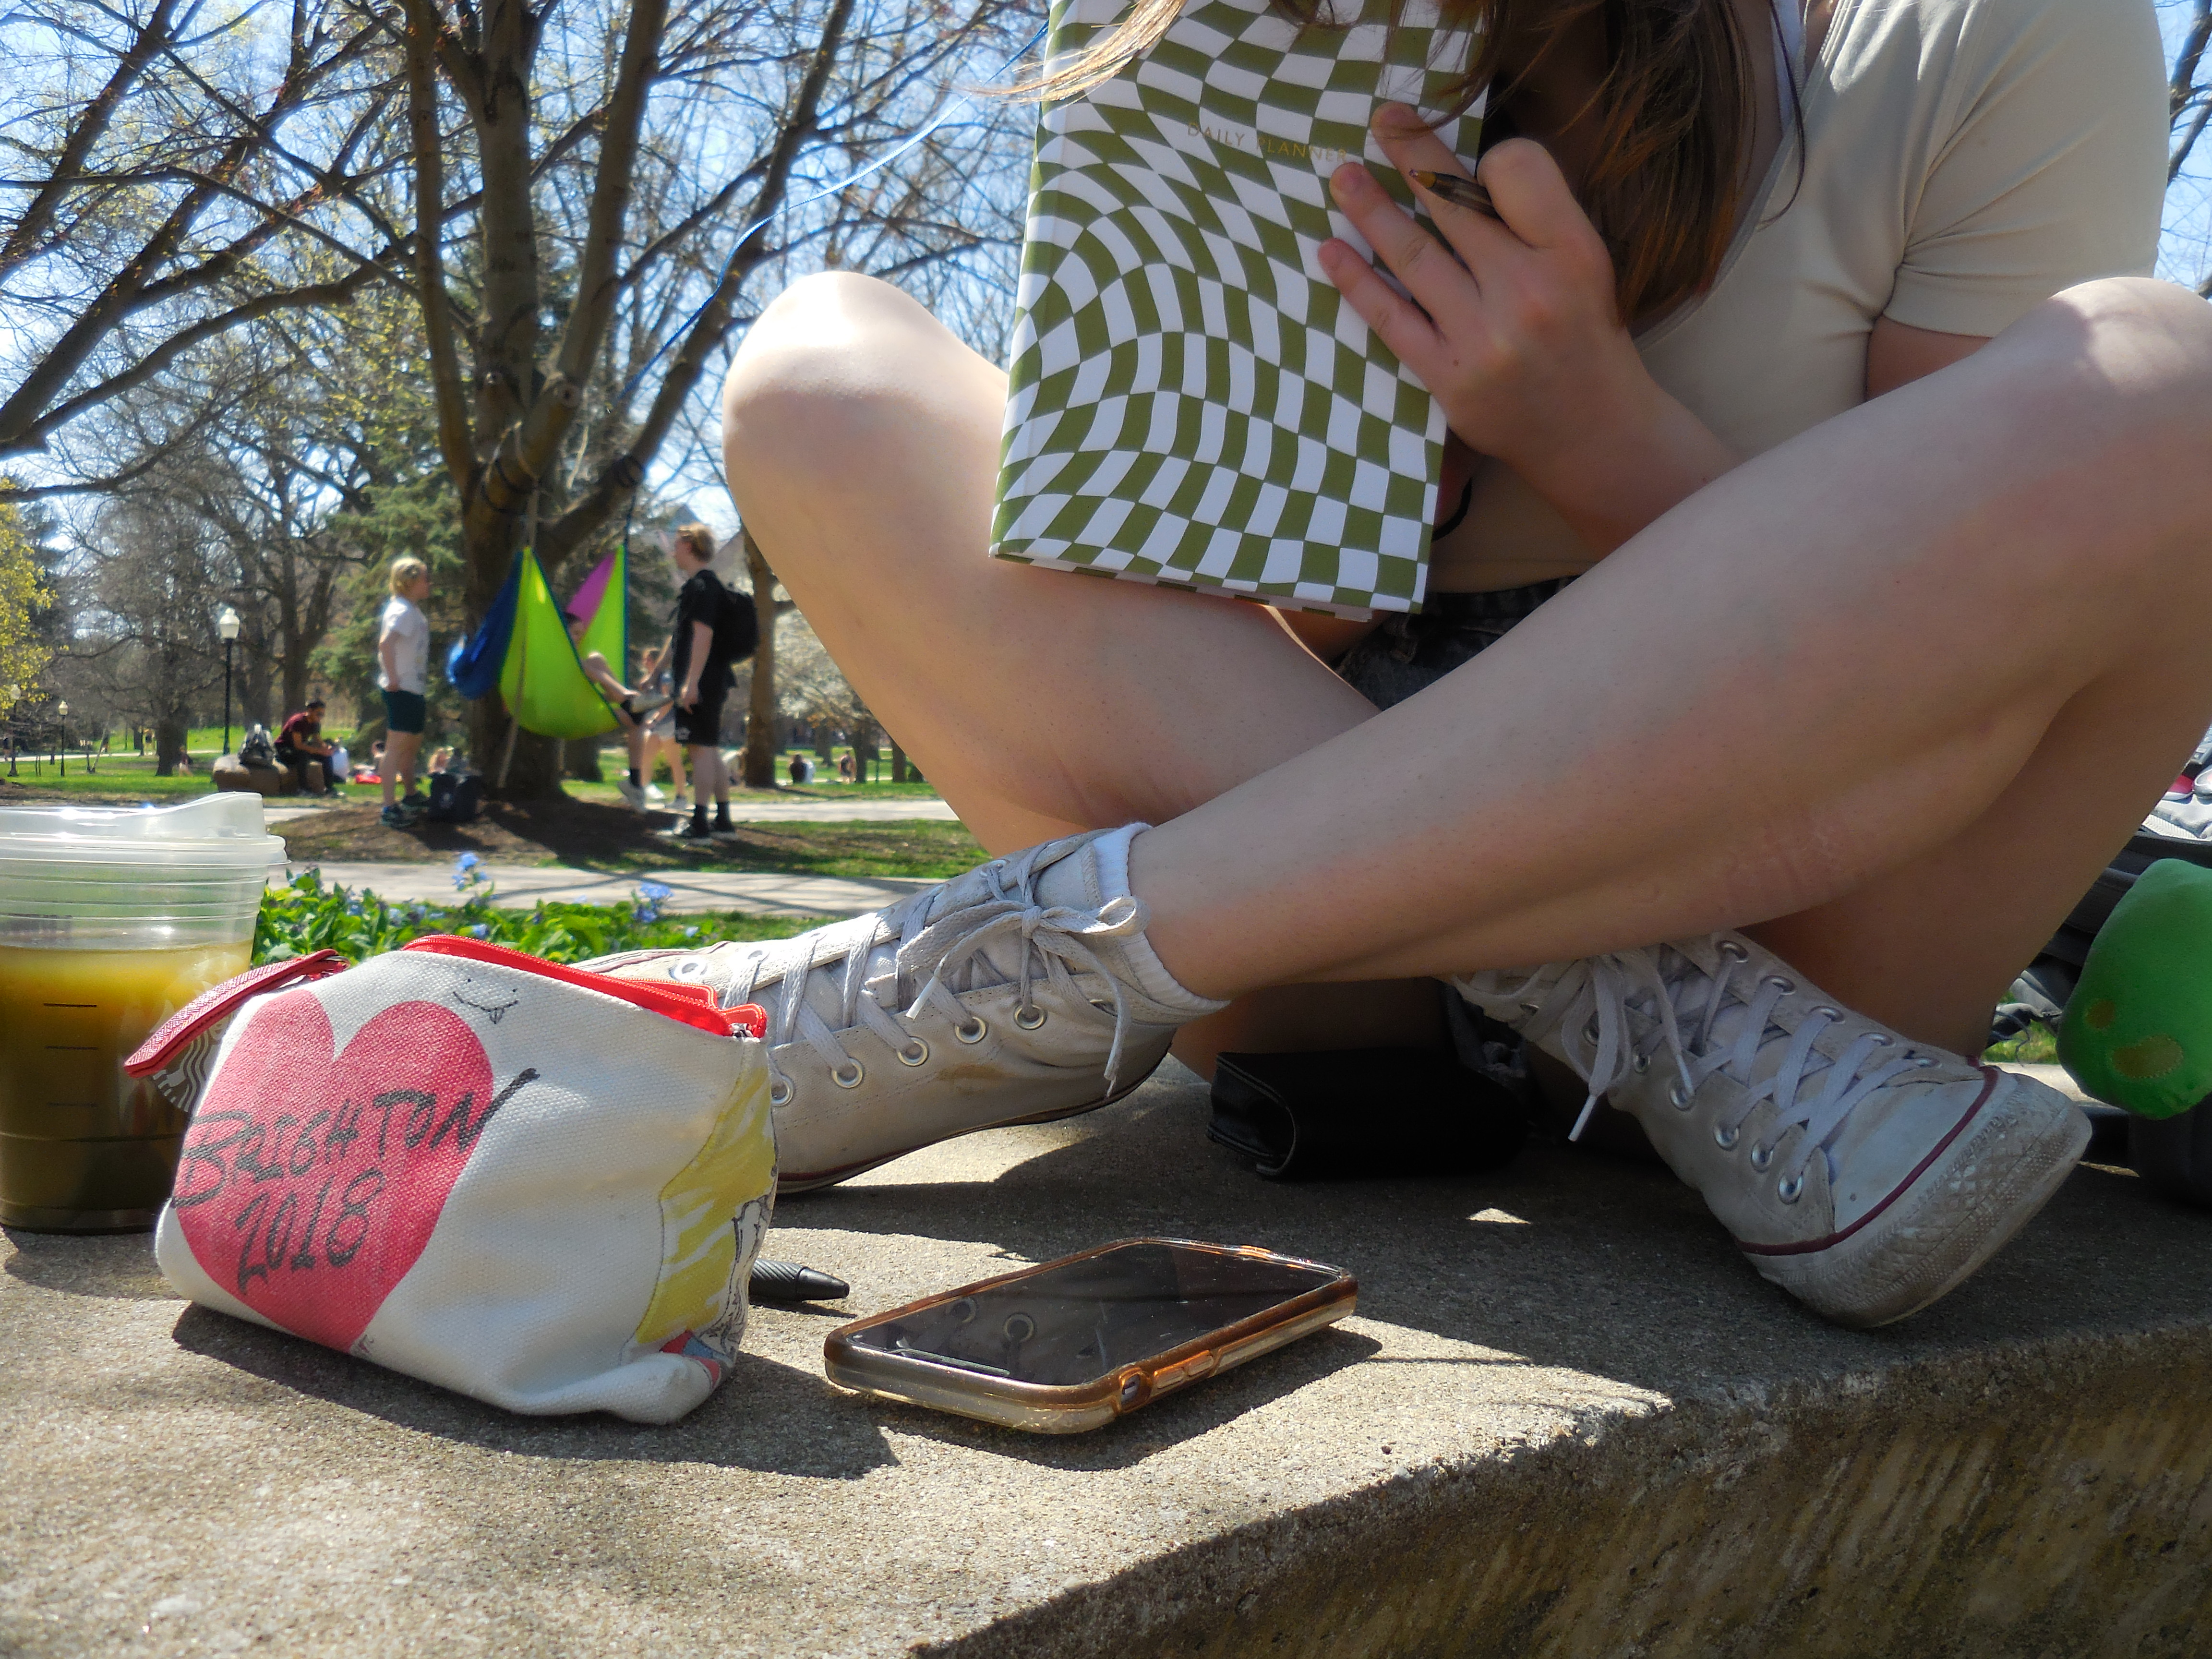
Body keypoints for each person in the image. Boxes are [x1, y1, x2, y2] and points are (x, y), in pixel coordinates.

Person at [601, 0, 2211, 1329]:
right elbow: (1158, 645)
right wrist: (1311, 547)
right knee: (821, 370)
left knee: (2166, 391)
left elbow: (1960, 638)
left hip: (1805, 939)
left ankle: (1009, 965)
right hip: (1332, 976)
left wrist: (1593, 439)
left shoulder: (1981, 28)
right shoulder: (1229, 37)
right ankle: (1647, 1010)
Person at [658, 524, 754, 843]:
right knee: (709, 748)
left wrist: (691, 683)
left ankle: (699, 825)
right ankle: (723, 821)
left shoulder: (701, 587)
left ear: (689, 545)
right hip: (711, 679)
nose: (673, 552)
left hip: (702, 681)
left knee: (699, 750)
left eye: (677, 545)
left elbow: (703, 634)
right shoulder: (705, 586)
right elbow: (682, 638)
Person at [562, 608, 654, 807]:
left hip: (584, 709)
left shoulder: (581, 656)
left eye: (581, 634)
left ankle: (635, 783)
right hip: (562, 710)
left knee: (638, 720)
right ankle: (625, 697)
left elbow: (593, 695)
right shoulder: (556, 654)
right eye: (575, 633)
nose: (579, 638)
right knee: (589, 662)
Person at [378, 556, 433, 828]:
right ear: (410, 582)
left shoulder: (411, 610)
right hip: (402, 689)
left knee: (411, 748)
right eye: (425, 578)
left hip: (414, 688)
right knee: (395, 749)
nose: (429, 584)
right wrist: (392, 678)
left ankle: (411, 795)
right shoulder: (402, 611)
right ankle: (389, 808)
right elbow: (386, 644)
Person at [637, 643, 689, 813]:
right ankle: (641, 792)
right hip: (656, 726)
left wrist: (655, 719)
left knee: (674, 761)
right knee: (645, 758)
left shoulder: (666, 677)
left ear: (653, 660)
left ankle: (681, 797)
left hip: (669, 724)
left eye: (646, 659)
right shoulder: (650, 680)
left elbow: (669, 701)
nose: (644, 662)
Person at [275, 697, 335, 795]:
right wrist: (318, 751)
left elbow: (318, 740)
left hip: (300, 749)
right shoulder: (298, 722)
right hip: (285, 750)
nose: (321, 717)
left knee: (326, 757)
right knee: (302, 755)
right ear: (310, 711)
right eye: (319, 714)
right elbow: (298, 745)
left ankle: (329, 789)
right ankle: (303, 789)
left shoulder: (315, 724)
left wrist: (326, 749)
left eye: (323, 715)